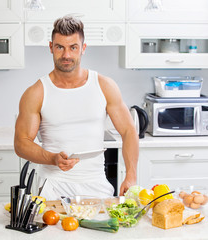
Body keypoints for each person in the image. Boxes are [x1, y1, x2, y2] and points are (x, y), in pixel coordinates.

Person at [14, 15, 139, 200]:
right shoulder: (37, 92)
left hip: (96, 185)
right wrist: (52, 158)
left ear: (83, 49)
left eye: (73, 47)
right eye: (60, 47)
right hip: (52, 187)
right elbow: (21, 143)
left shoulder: (104, 85)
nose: (66, 55)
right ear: (51, 47)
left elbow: (129, 130)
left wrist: (131, 175)